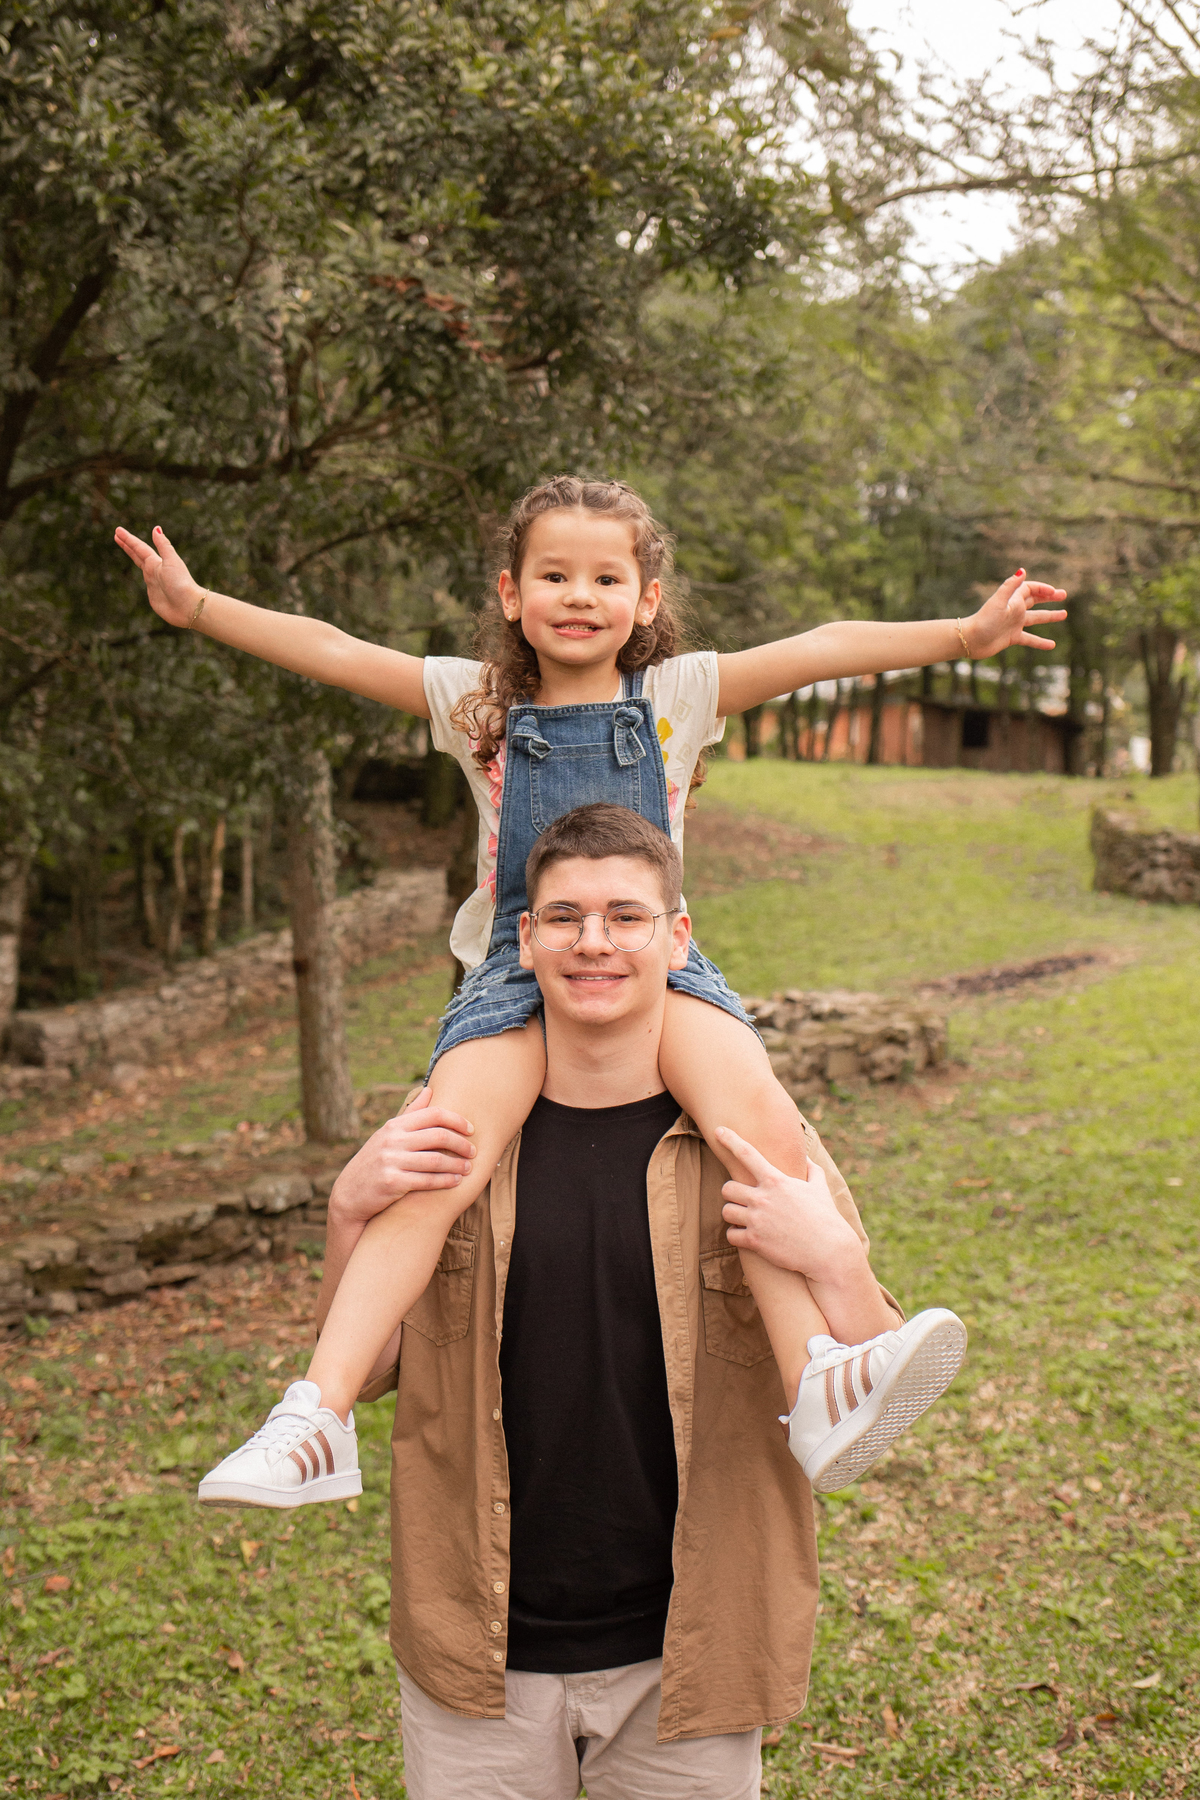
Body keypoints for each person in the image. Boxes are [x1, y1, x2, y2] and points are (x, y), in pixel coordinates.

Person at [115, 477, 1064, 1501]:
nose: (580, 595)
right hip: (515, 973)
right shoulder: (478, 701)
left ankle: (820, 1378)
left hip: (659, 969)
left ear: (646, 599)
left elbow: (823, 645)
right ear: (512, 594)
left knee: (761, 1130)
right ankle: (317, 1415)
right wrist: (200, 607)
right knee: (441, 1159)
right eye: (554, 574)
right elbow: (338, 651)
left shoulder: (679, 696)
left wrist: (964, 637)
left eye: (607, 576)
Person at [244, 805, 944, 1798]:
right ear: (521, 939)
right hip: (479, 1650)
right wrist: (347, 1209)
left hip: (688, 1652)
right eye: (565, 917)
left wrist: (833, 1258)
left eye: (626, 916)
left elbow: (873, 1374)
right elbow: (384, 1365)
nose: (595, 943)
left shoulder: (746, 1131)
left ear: (678, 937)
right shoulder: (449, 1133)